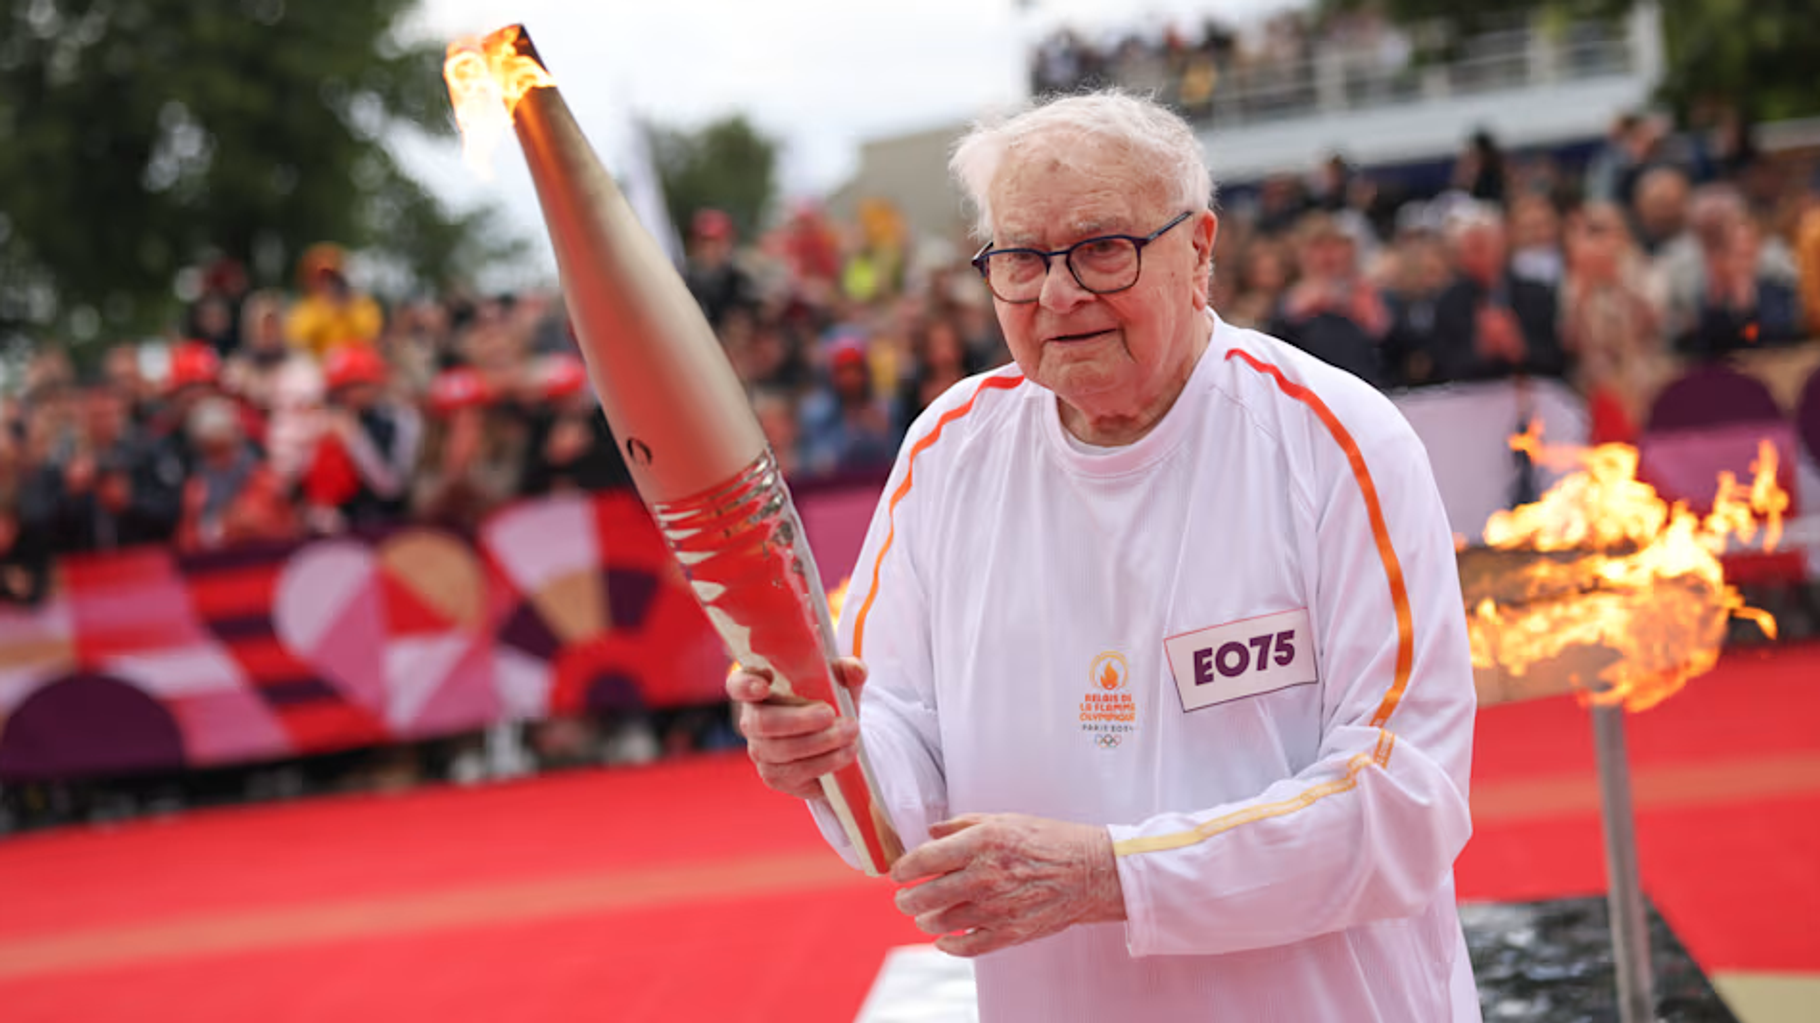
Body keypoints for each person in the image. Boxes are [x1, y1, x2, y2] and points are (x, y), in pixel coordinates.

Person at [727, 91, 1479, 1021]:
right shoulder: (946, 453)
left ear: (1199, 249)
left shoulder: (1338, 440)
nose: (1057, 293)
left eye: (1100, 248)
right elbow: (898, 769)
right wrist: (829, 751)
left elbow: (1405, 801)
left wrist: (1111, 875)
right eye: (1020, 258)